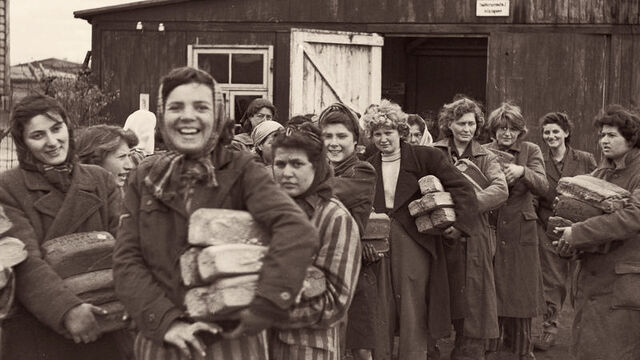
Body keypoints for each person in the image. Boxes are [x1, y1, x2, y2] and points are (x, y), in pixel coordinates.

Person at [113, 67, 318, 359]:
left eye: (201, 107)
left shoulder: (243, 170)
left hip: (228, 343)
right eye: (175, 107)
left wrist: (264, 306)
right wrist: (165, 321)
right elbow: (126, 259)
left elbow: (296, 231)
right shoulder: (144, 176)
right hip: (162, 341)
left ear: (217, 115)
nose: (187, 116)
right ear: (163, 115)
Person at [0, 94, 126, 360]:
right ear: (23, 142)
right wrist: (67, 310)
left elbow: (126, 247)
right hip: (41, 324)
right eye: (38, 135)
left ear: (68, 128)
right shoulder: (8, 188)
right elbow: (23, 260)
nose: (52, 142)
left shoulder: (101, 180)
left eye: (57, 129)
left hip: (106, 317)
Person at [363, 99, 479, 360]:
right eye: (377, 134)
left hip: (415, 240)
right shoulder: (368, 164)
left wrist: (459, 225)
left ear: (401, 132)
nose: (383, 139)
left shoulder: (427, 157)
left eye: (388, 132)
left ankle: (413, 355)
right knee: (380, 304)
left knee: (413, 303)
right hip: (378, 240)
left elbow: (462, 189)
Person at [553, 105, 640, 360]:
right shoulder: (599, 173)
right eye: (602, 135)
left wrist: (577, 233)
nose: (604, 140)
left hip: (622, 285)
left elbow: (634, 215)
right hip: (590, 284)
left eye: (611, 135)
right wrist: (567, 242)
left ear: (631, 138)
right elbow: (574, 214)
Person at [269, 122, 362, 360]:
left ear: (316, 167)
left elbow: (334, 302)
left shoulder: (334, 217)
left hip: (308, 349)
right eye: (280, 164)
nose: (286, 172)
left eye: (297, 164)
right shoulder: (267, 213)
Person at [432, 97, 507, 360]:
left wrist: (462, 209)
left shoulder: (486, 156)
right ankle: (431, 350)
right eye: (461, 123)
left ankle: (468, 352)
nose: (467, 129)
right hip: (437, 236)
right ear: (449, 125)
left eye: (472, 123)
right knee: (436, 293)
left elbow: (500, 190)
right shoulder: (434, 152)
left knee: (474, 302)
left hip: (474, 237)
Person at [483, 102, 548, 360]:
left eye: (512, 129)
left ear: (521, 131)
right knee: (492, 289)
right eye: (501, 129)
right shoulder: (484, 151)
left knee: (521, 292)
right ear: (493, 131)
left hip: (521, 229)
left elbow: (544, 186)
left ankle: (523, 351)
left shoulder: (531, 150)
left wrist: (523, 171)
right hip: (492, 225)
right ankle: (492, 349)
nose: (506, 134)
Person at [318, 103, 380, 360]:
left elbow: (326, 191)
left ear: (356, 141)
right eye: (328, 136)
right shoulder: (320, 171)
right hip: (321, 266)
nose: (334, 143)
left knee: (359, 347)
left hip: (351, 269)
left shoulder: (362, 171)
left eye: (341, 136)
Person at [533, 112, 596, 351]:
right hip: (550, 231)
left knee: (582, 282)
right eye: (547, 132)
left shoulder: (585, 160)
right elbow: (535, 196)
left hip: (581, 230)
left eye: (555, 131)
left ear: (566, 133)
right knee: (553, 282)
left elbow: (596, 189)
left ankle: (586, 331)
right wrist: (538, 226)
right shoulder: (541, 162)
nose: (551, 136)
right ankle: (549, 329)